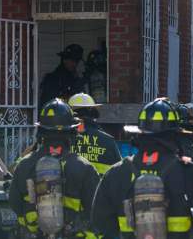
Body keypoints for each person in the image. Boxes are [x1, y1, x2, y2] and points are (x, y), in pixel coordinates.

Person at [91, 97, 193, 239]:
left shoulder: (116, 173)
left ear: (139, 133)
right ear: (175, 135)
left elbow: (99, 225)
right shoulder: (190, 173)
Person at [9, 98, 99, 238]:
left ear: (41, 132)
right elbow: (96, 212)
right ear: (72, 132)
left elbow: (14, 204)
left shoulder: (24, 165)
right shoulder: (84, 168)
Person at [68, 92, 121, 175]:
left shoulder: (63, 139)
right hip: (99, 187)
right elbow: (120, 172)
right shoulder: (107, 141)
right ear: (93, 111)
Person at [40, 44, 85, 108]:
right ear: (64, 60)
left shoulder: (76, 79)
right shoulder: (53, 79)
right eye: (72, 60)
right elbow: (48, 103)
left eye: (76, 61)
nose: (74, 64)